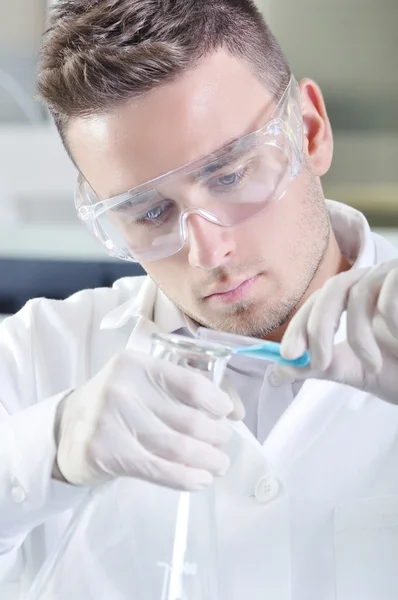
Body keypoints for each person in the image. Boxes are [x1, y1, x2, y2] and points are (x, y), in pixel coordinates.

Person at [1, 0, 398, 598]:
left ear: (310, 132)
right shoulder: (35, 356)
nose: (208, 251)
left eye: (232, 175)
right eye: (149, 212)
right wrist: (44, 453)